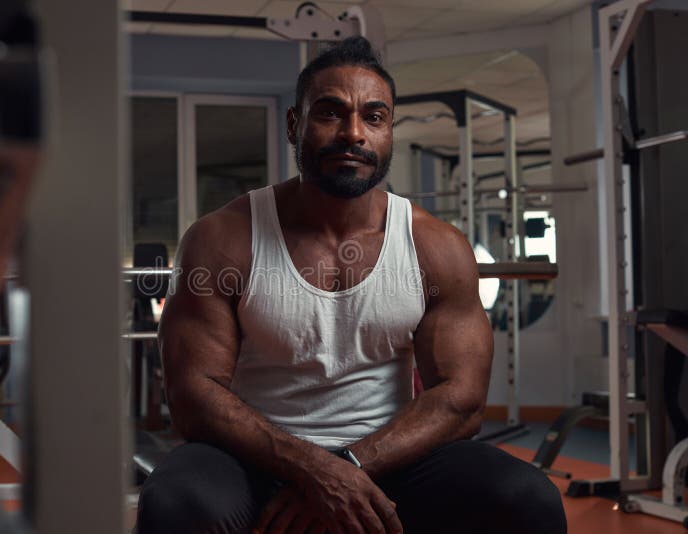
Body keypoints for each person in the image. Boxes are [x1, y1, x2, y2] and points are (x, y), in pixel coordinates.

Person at [136, 37, 566, 534]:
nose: (354, 133)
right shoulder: (223, 239)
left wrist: (351, 467)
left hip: (389, 460)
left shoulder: (436, 246)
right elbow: (193, 394)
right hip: (255, 461)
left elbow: (460, 399)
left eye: (374, 117)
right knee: (174, 503)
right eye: (331, 113)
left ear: (389, 131)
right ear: (294, 124)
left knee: (528, 499)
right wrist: (311, 470)